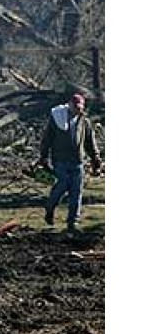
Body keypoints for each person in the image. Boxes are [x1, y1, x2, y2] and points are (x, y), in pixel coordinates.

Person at [38, 93, 102, 232]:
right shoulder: (57, 118)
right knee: (62, 185)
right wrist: (43, 157)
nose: (78, 110)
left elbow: (90, 142)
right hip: (60, 160)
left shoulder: (84, 121)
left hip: (77, 161)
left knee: (76, 191)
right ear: (70, 105)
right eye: (76, 107)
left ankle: (73, 223)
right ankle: (50, 206)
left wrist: (95, 159)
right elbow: (47, 138)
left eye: (80, 108)